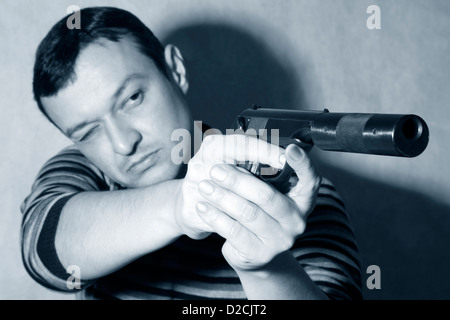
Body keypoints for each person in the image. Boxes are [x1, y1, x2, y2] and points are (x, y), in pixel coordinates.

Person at [21, 6, 362, 300]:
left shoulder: (297, 193)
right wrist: (186, 204)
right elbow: (44, 249)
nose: (124, 143)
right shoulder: (84, 173)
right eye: (88, 132)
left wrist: (267, 269)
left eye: (132, 98)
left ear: (175, 70)